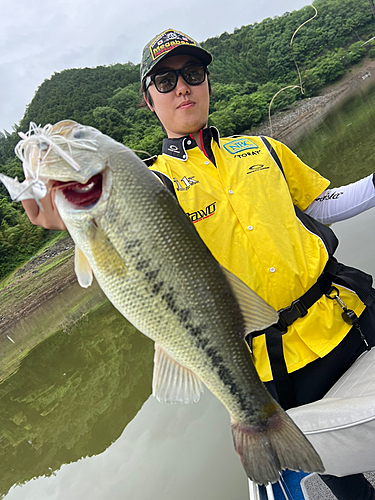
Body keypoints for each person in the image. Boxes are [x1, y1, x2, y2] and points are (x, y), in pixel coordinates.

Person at [22, 29, 375, 500]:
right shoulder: (147, 185)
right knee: (345, 484)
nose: (182, 87)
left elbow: (323, 203)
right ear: (149, 101)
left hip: (349, 322)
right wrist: (66, 215)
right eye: (165, 82)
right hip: (274, 369)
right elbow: (125, 239)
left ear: (207, 82)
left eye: (191, 73)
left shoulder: (263, 150)